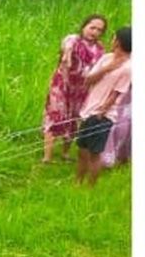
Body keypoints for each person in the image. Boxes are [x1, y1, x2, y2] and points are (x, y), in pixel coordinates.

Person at [42, 15, 106, 163]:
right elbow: (66, 50)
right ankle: (47, 156)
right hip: (61, 85)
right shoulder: (72, 40)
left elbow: (98, 69)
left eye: (99, 30)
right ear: (84, 26)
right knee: (54, 116)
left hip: (81, 90)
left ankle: (65, 153)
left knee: (73, 120)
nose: (94, 32)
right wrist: (67, 57)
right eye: (92, 27)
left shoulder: (99, 49)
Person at [75, 26, 132, 186]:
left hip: (103, 115)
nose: (111, 40)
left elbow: (117, 93)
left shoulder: (129, 67)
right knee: (82, 149)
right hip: (88, 110)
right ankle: (77, 182)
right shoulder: (106, 58)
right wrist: (107, 68)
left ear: (119, 42)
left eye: (114, 38)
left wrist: (102, 111)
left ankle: (90, 187)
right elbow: (89, 80)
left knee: (94, 153)